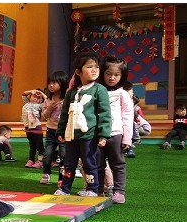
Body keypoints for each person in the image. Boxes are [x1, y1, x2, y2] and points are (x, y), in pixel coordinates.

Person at [54, 52, 111, 197]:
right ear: (78, 72)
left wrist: (103, 134)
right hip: (71, 135)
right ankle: (65, 188)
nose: (94, 70)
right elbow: (65, 113)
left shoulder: (99, 89)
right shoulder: (71, 92)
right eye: (89, 67)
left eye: (96, 67)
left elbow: (104, 113)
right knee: (69, 163)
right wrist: (61, 131)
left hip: (89, 135)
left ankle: (92, 189)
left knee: (89, 162)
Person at [91, 56, 133, 204]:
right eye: (108, 74)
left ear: (122, 76)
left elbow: (128, 116)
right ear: (102, 73)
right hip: (97, 134)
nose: (112, 78)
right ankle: (98, 190)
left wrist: (127, 138)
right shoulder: (96, 90)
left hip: (116, 134)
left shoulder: (123, 94)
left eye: (116, 75)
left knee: (118, 164)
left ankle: (119, 191)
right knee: (98, 164)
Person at [41, 71, 68, 185]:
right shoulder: (48, 100)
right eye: (49, 83)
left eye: (54, 83)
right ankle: (46, 173)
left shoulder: (67, 98)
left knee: (63, 155)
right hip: (51, 130)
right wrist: (50, 108)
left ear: (62, 83)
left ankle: (62, 178)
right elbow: (44, 116)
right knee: (48, 154)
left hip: (63, 131)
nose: (51, 85)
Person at [21, 89, 45, 169]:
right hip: (28, 129)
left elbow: (47, 100)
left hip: (37, 129)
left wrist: (42, 94)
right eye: (34, 96)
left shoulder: (39, 106)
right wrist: (32, 91)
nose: (36, 99)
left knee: (40, 147)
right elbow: (24, 94)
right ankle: (31, 160)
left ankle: (40, 161)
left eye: (38, 98)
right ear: (30, 97)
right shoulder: (26, 103)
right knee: (32, 146)